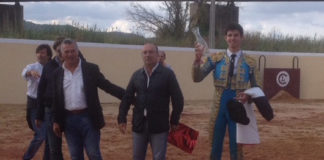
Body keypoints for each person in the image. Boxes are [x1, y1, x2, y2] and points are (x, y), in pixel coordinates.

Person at [192, 23, 262, 160]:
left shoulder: (251, 62)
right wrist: (196, 61)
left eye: (236, 35)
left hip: (239, 105)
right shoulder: (215, 59)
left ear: (242, 37)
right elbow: (197, 78)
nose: (233, 38)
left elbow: (257, 88)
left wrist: (248, 96)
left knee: (237, 145)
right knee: (215, 141)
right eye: (230, 35)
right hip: (219, 105)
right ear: (225, 38)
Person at [51, 39, 125, 160]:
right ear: (61, 54)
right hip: (68, 120)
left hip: (89, 118)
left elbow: (107, 86)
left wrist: (130, 98)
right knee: (75, 155)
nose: (70, 54)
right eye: (67, 52)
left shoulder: (90, 69)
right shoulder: (57, 73)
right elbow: (56, 99)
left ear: (78, 51)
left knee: (93, 154)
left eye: (73, 51)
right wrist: (56, 120)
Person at [118, 43, 184, 160]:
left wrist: (174, 120)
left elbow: (178, 99)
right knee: (137, 157)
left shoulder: (168, 74)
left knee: (159, 158)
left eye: (151, 52)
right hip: (139, 124)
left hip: (159, 126)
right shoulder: (136, 75)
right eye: (145, 52)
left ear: (157, 55)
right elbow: (127, 97)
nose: (147, 55)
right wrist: (122, 117)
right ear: (142, 55)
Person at [36, 37, 66, 160]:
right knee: (53, 146)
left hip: (70, 110)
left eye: (63, 50)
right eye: (58, 50)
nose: (61, 53)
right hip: (51, 110)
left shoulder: (78, 65)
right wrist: (39, 114)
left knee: (74, 145)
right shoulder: (49, 66)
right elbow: (41, 90)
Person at [22, 44, 52, 160]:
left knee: (49, 135)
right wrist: (30, 73)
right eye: (38, 52)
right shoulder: (32, 67)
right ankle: (26, 157)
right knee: (40, 135)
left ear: (49, 55)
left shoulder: (52, 68)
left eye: (43, 52)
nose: (39, 54)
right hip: (34, 103)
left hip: (47, 104)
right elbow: (24, 73)